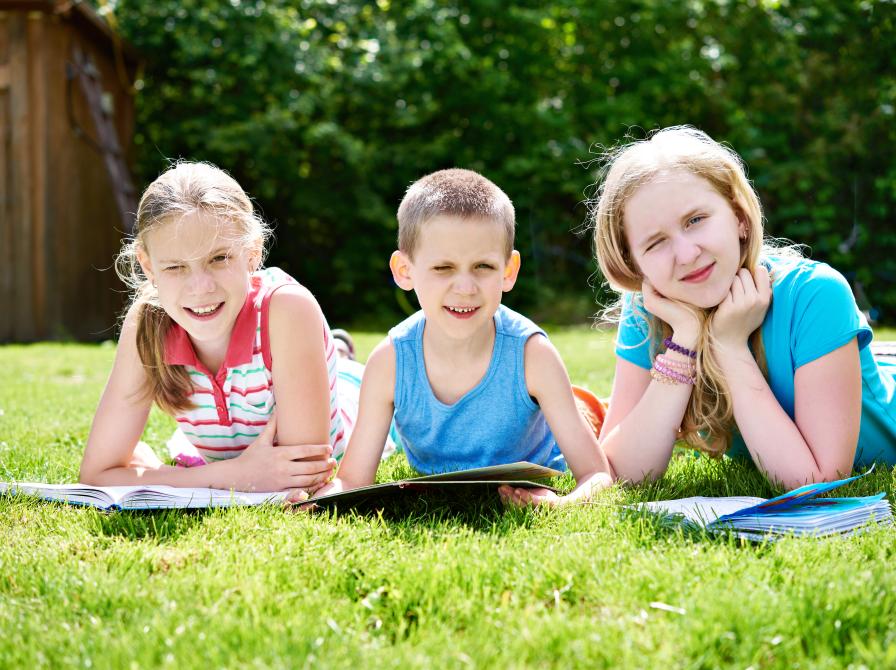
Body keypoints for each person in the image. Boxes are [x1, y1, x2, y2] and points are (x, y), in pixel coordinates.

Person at [590, 126, 896, 489]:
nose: (687, 255)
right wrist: (684, 341)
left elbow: (817, 481)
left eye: (696, 220)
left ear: (738, 216)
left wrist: (731, 346)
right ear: (634, 263)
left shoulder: (816, 293)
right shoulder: (648, 310)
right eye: (656, 243)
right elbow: (621, 472)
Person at [313, 168, 614, 506]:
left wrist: (563, 503)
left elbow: (598, 474)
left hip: (567, 411)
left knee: (590, 412)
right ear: (404, 271)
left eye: (483, 267)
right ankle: (343, 358)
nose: (466, 288)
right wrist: (319, 498)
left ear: (508, 271)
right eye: (443, 268)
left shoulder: (533, 355)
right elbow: (353, 479)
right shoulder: (391, 362)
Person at [79, 161, 355, 501]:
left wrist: (162, 476)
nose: (200, 287)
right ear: (148, 266)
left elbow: (302, 477)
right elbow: (96, 474)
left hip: (347, 398)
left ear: (252, 253)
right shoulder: (147, 325)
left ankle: (338, 352)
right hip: (239, 440)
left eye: (219, 258)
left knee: (348, 381)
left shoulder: (287, 310)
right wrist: (233, 474)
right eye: (176, 267)